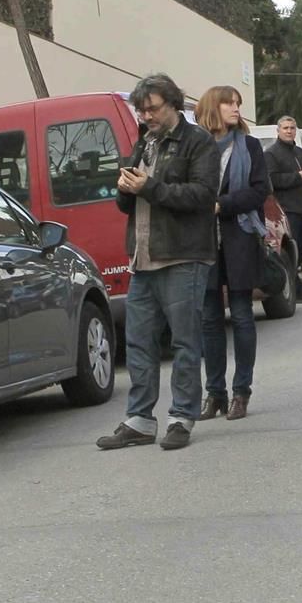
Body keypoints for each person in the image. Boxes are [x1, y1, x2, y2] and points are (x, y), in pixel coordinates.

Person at [96, 74, 219, 453]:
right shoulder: (144, 142)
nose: (147, 115)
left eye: (153, 108)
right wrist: (124, 188)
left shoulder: (198, 142)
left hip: (184, 256)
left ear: (173, 103)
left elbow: (202, 195)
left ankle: (182, 416)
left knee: (183, 341)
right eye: (142, 110)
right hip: (142, 258)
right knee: (138, 343)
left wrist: (147, 186)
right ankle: (139, 420)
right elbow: (128, 205)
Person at [197, 85, 272, 421]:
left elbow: (259, 192)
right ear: (214, 106)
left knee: (241, 316)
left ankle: (241, 391)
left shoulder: (249, 146)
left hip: (239, 238)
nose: (236, 107)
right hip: (202, 243)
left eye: (238, 103)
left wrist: (221, 205)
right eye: (229, 102)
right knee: (210, 321)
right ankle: (215, 394)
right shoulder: (196, 147)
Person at [266, 115, 302, 303]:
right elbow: (271, 180)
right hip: (286, 211)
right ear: (278, 131)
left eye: (292, 128)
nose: (289, 131)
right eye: (285, 128)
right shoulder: (271, 154)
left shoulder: (301, 153)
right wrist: (297, 177)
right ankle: (296, 290)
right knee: (292, 252)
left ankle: (296, 285)